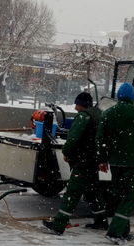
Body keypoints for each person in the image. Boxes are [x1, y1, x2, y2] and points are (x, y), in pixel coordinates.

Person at [97, 82, 134, 245]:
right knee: (130, 196)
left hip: (115, 162)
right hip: (132, 162)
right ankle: (115, 231)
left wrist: (102, 159)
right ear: (133, 97)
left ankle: (124, 231)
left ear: (118, 96)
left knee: (118, 195)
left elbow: (100, 139)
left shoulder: (108, 113)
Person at [41, 92, 107, 235]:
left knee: (72, 192)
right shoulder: (98, 115)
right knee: (93, 191)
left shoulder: (83, 117)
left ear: (80, 104)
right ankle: (101, 220)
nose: (75, 107)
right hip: (92, 160)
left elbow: (73, 138)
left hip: (83, 161)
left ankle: (59, 224)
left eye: (76, 103)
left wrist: (67, 152)